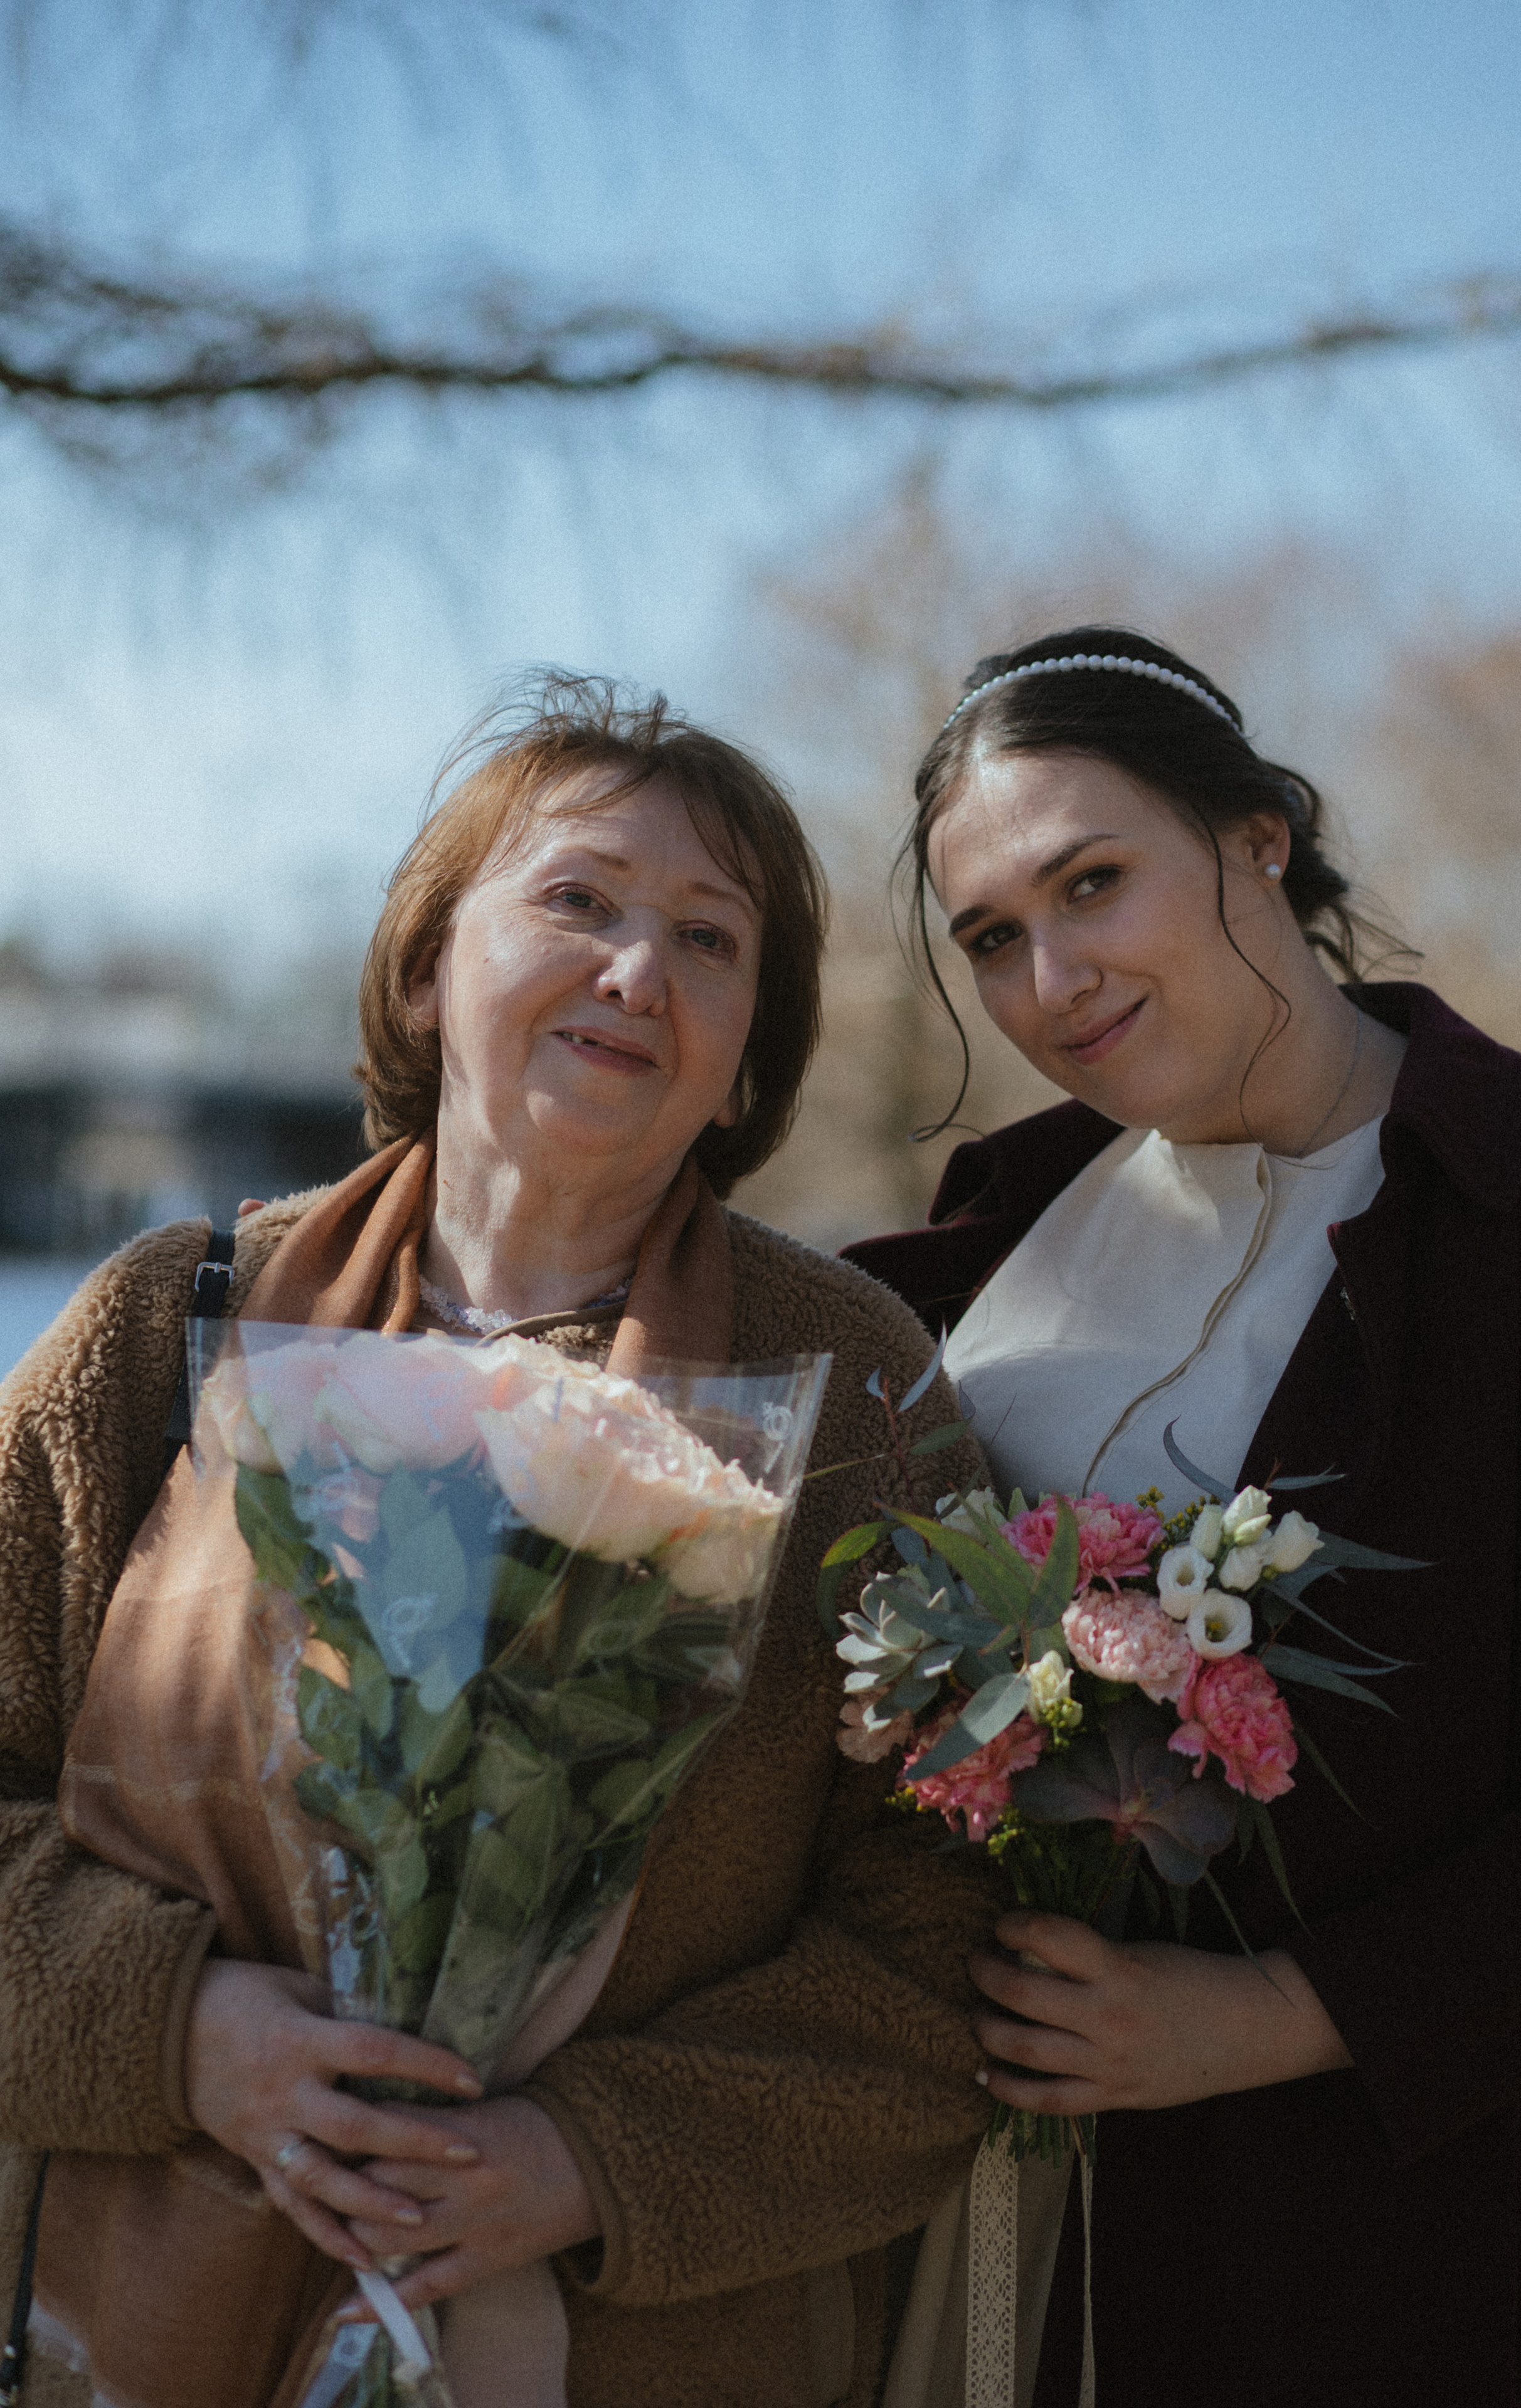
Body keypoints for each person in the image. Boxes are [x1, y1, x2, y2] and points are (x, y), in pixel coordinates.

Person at [0, 674, 998, 2408]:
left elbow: (948, 1949)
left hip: (652, 2357)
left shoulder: (857, 1401)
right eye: (578, 901)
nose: (637, 971)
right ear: (420, 965)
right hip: (134, 2320)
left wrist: (589, 2160)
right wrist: (180, 2030)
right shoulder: (164, 1326)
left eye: (709, 938)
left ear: (751, 1048)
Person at [844, 628, 1521, 2408]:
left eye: (1093, 881)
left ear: (1259, 837)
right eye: (991, 939)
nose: (1051, 978)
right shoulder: (982, 1244)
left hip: (1361, 2242)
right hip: (943, 2215)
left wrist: (1273, 2019)